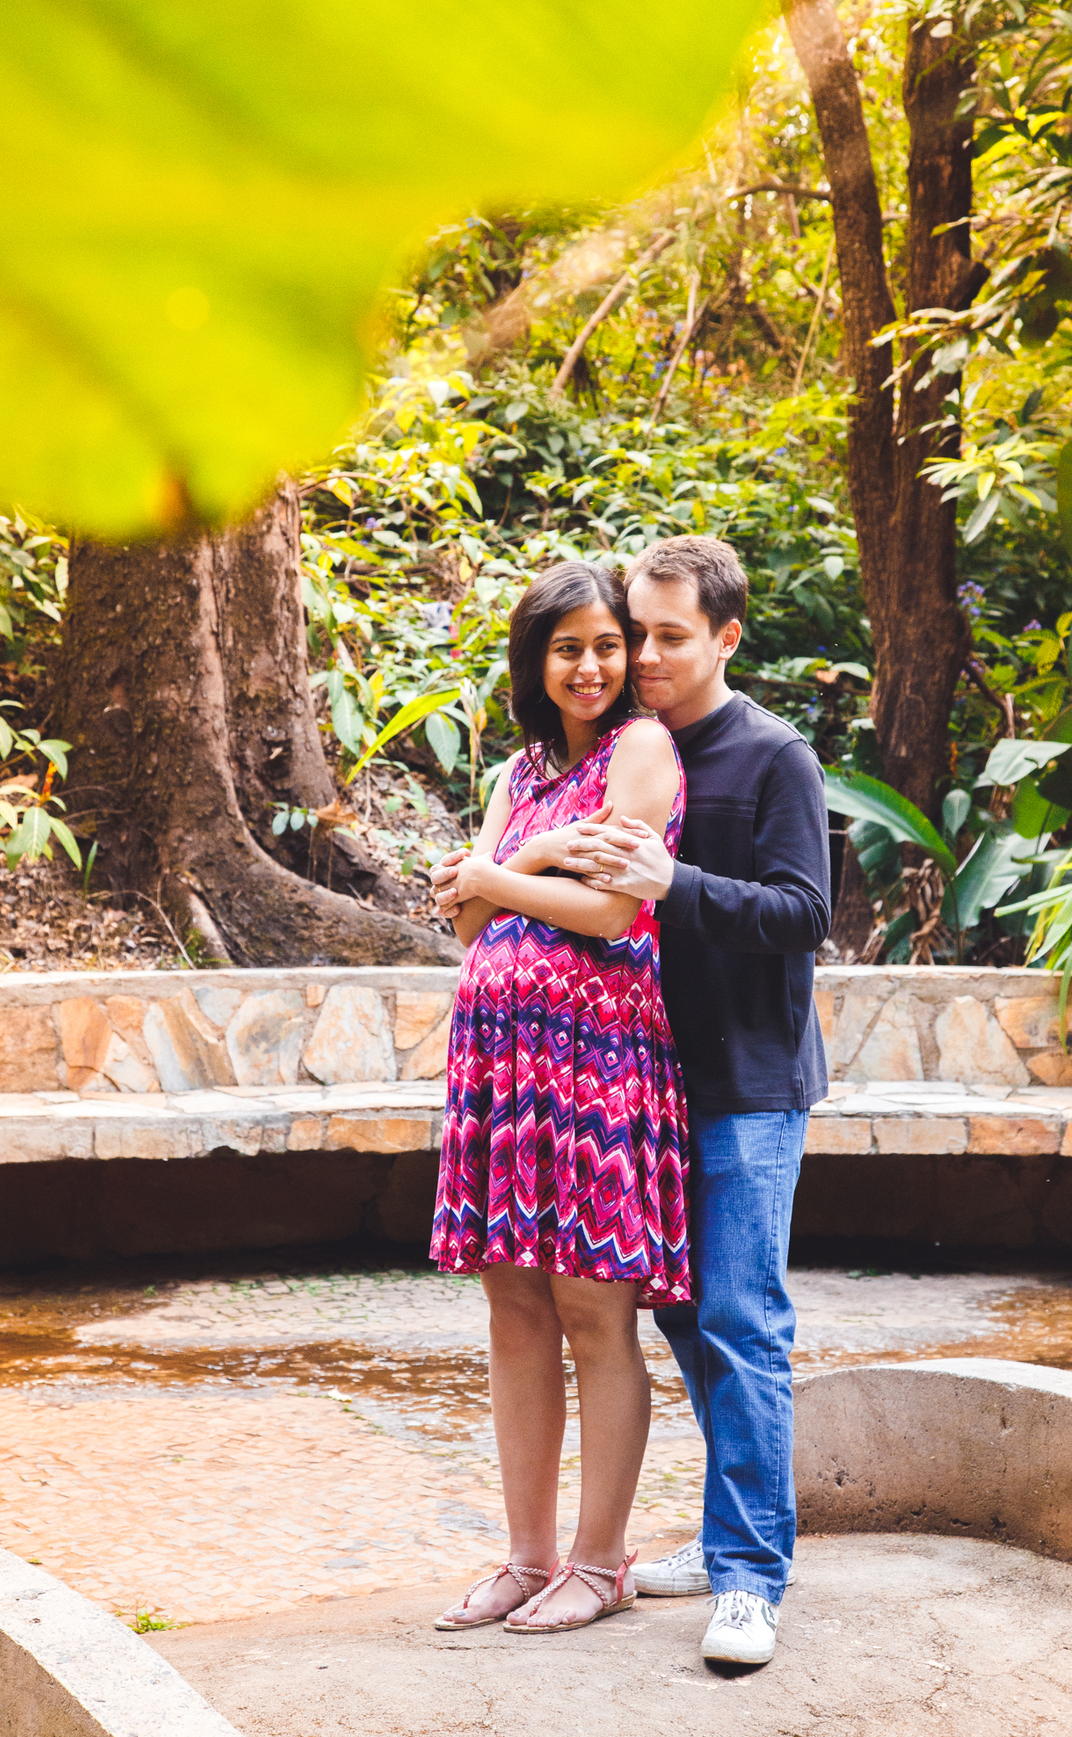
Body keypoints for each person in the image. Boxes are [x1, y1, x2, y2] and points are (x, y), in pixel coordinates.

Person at [558, 534, 831, 1666]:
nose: (648, 656)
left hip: (753, 1087)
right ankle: (730, 1543)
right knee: (684, 1322)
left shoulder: (775, 758)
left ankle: (754, 1579)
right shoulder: (629, 749)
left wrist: (676, 882)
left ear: (725, 635)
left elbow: (801, 915)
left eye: (673, 637)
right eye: (640, 633)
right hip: (649, 1092)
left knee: (739, 1320)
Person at [428, 559, 690, 1635]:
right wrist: (523, 857)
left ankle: (599, 1561)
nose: (591, 666)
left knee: (593, 1308)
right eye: (567, 647)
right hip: (500, 1069)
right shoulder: (518, 777)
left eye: (607, 645)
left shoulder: (641, 748)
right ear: (537, 660)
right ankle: (527, 1557)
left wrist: (492, 877)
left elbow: (617, 914)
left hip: (596, 1066)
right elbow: (461, 925)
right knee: (514, 1309)